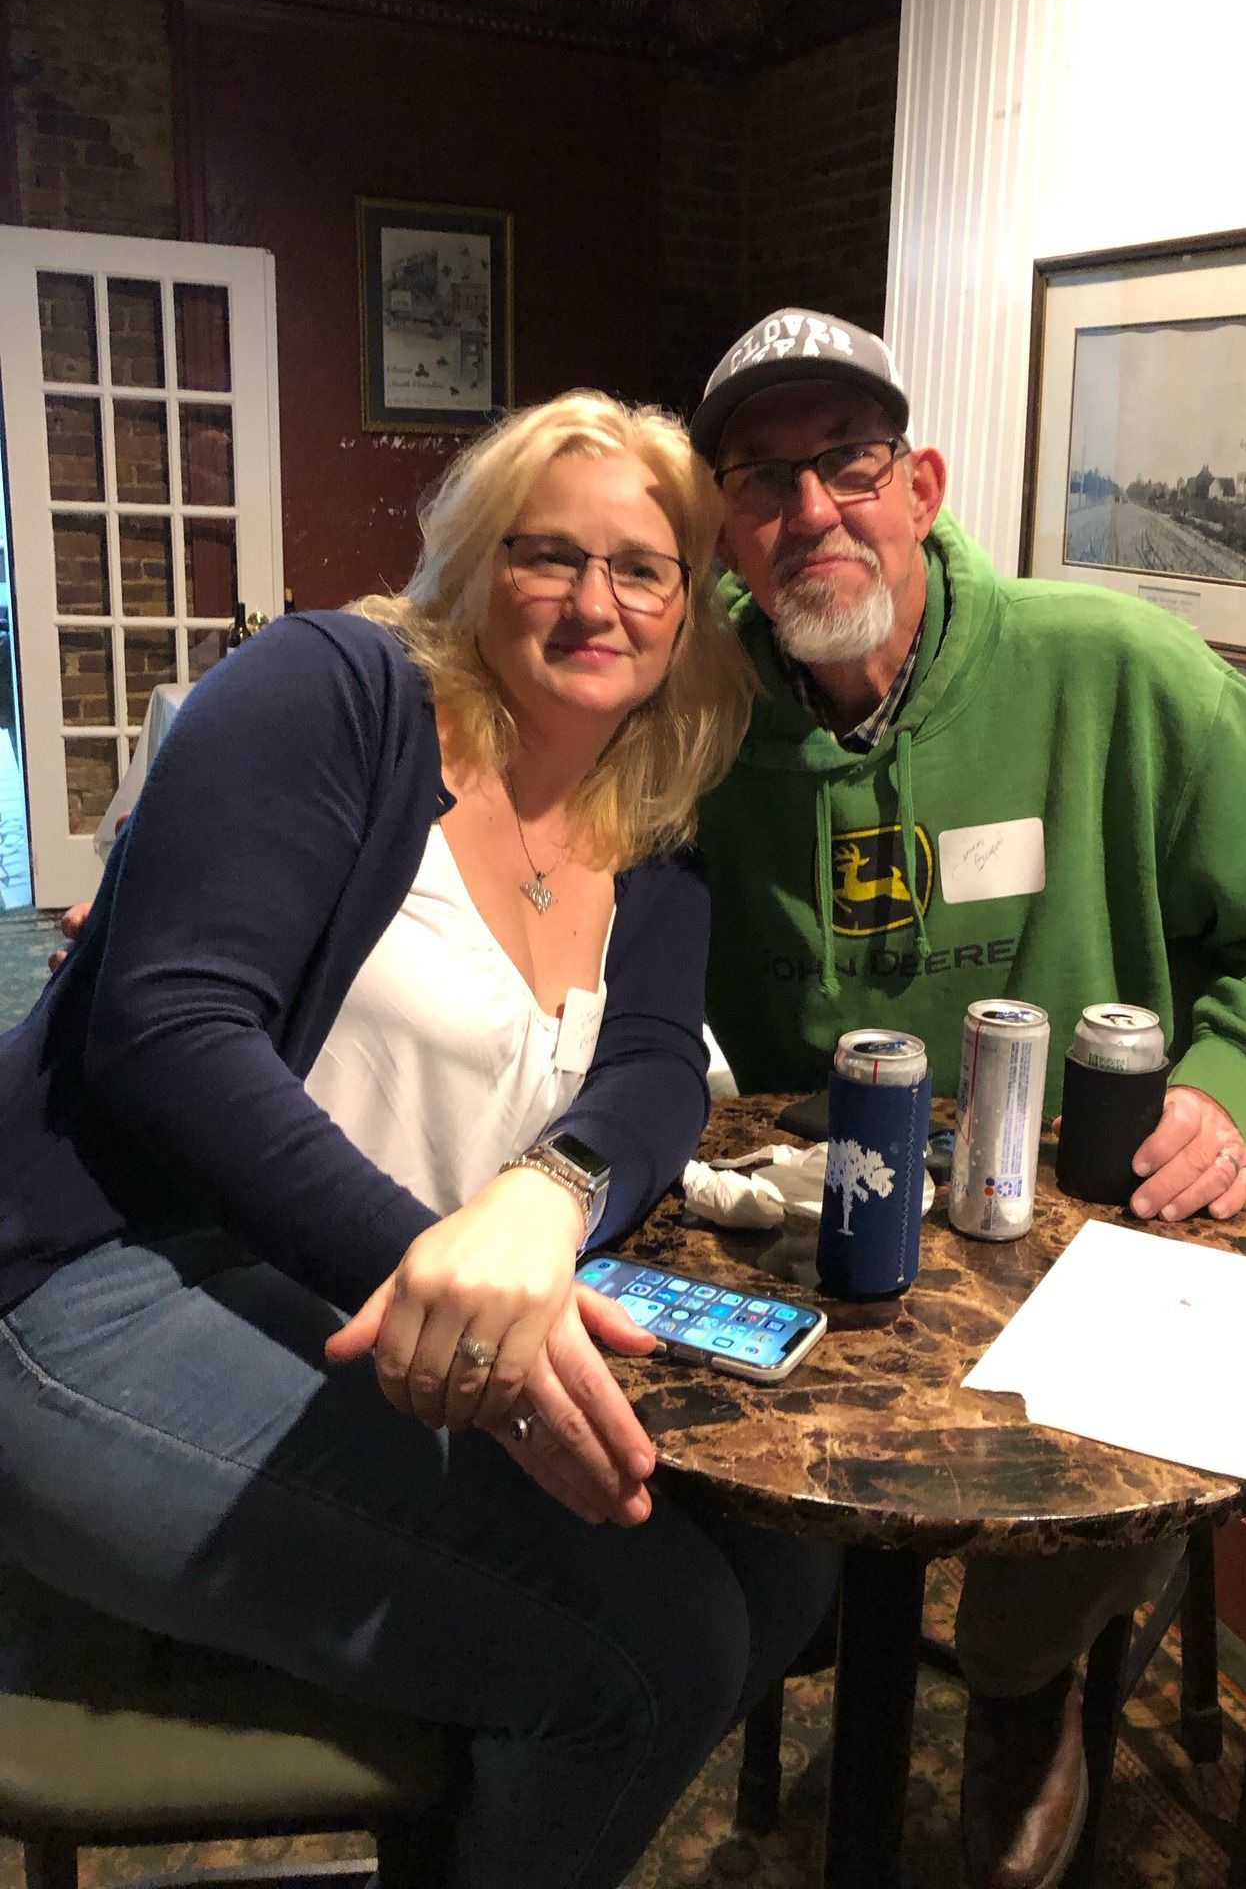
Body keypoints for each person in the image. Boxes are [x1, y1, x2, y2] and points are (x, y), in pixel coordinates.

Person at [0, 390, 841, 1889]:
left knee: (784, 1563)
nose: (595, 601)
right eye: (547, 554)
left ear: (687, 611)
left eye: (642, 567)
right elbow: (170, 1028)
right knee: (654, 1652)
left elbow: (650, 1073)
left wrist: (544, 1195)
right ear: (473, 563)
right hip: (79, 1277)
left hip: (310, 1291)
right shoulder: (338, 687)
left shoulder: (646, 813)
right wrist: (435, 1261)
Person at [686, 309, 1246, 1889]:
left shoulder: (1114, 669)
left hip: (1076, 1222)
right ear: (726, 528)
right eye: (764, 479)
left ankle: (1023, 1693)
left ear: (922, 483)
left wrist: (1232, 1087)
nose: (813, 512)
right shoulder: (697, 715)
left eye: (850, 466)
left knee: (1125, 1454)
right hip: (826, 1227)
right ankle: (770, 1671)